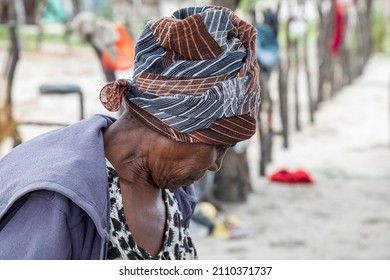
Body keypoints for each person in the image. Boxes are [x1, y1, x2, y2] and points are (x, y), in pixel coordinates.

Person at [0, 6, 260, 260]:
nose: (216, 164)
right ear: (173, 122)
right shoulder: (55, 200)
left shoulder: (175, 191)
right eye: (218, 146)